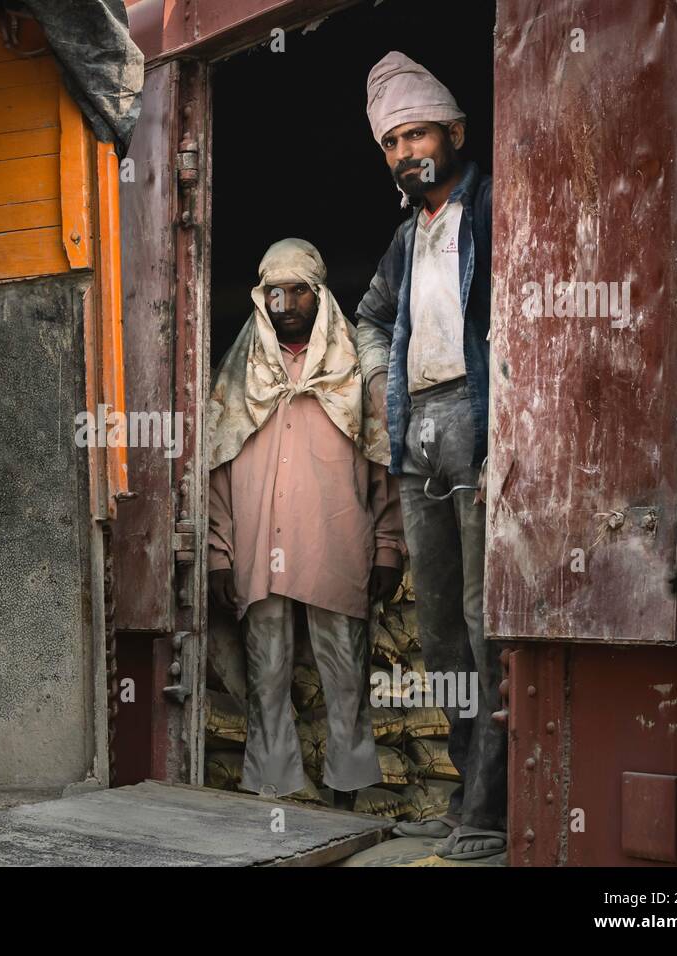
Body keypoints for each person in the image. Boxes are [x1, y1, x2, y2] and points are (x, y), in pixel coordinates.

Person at [353, 51, 506, 859]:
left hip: (482, 425)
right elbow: (371, 318)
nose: (408, 151)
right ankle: (462, 795)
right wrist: (387, 389)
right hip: (421, 434)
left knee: (487, 625)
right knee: (443, 632)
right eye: (393, 141)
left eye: (419, 134)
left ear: (454, 132)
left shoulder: (495, 208)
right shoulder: (406, 239)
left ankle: (491, 810)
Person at [207, 238, 403, 807]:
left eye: (298, 291)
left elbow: (379, 465)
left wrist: (388, 546)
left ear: (319, 297)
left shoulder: (350, 376)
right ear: (260, 297)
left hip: (335, 544)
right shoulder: (241, 380)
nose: (285, 302)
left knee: (346, 671)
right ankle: (276, 787)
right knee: (266, 673)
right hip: (257, 549)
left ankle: (350, 788)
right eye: (274, 291)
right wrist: (219, 552)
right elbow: (218, 470)